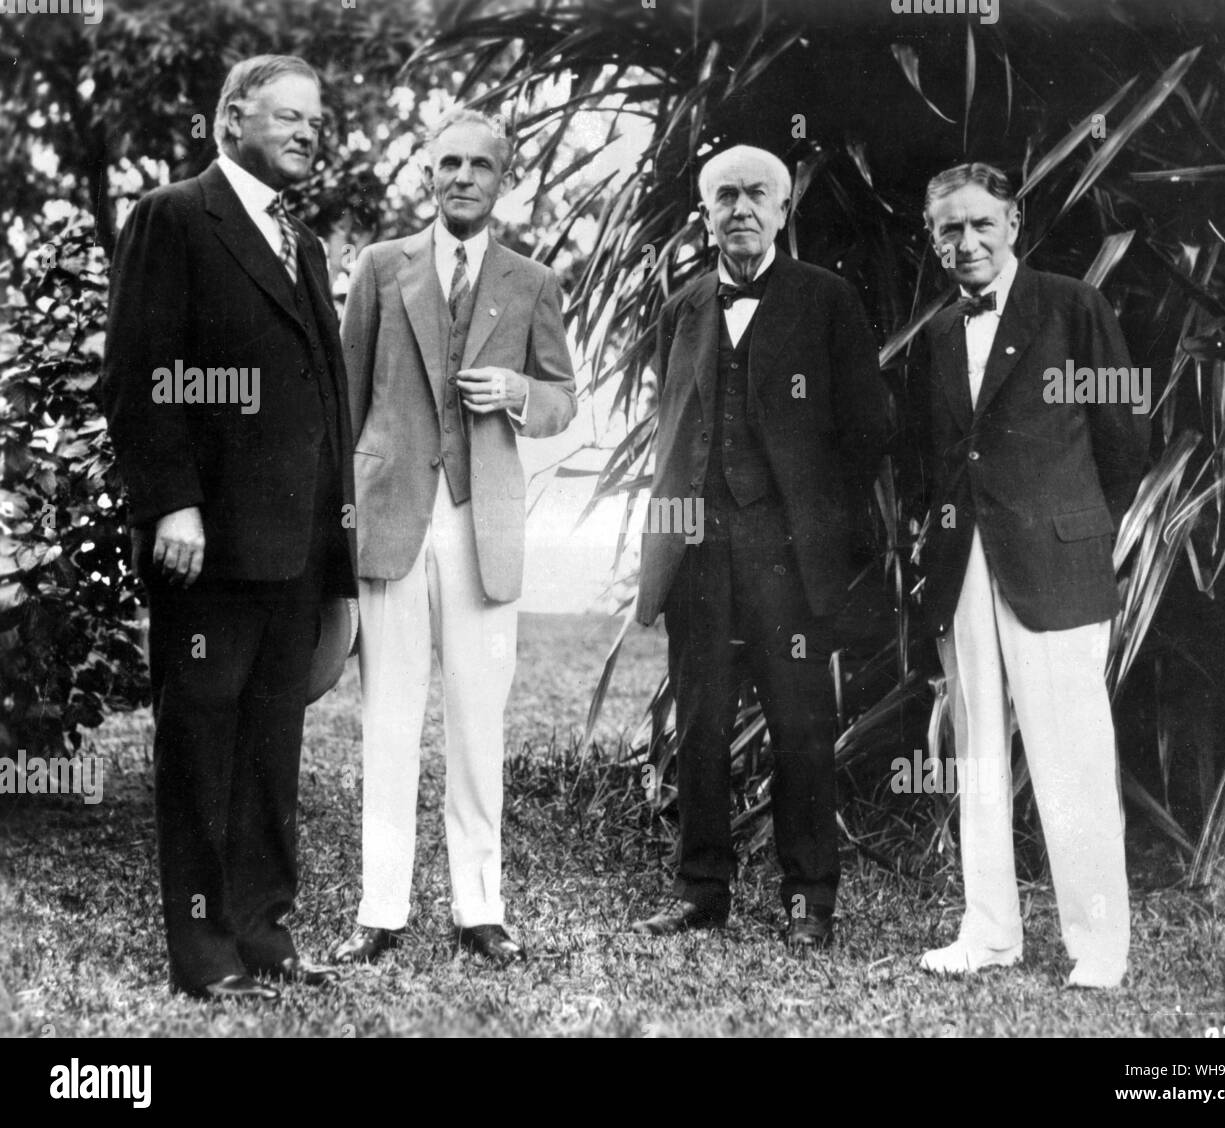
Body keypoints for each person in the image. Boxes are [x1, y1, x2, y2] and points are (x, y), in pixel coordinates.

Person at [101, 55, 355, 1000]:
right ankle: (204, 952)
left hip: (295, 550)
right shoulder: (174, 217)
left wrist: (338, 533)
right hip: (205, 546)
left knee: (271, 749)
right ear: (231, 121)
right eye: (286, 116)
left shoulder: (308, 243)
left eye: (315, 123)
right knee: (202, 745)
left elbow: (321, 396)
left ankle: (265, 932)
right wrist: (172, 501)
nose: (305, 133)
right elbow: (140, 372)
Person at [330, 108, 577, 968]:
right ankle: (379, 909)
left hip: (483, 526)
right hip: (393, 516)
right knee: (388, 722)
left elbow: (560, 400)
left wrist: (514, 388)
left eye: (480, 165)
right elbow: (345, 396)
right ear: (428, 176)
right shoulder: (379, 266)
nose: (463, 177)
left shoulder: (531, 280)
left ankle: (481, 907)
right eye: (448, 164)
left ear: (502, 180)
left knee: (479, 726)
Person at [631, 144, 888, 949]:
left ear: (783, 211)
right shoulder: (683, 306)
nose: (741, 209)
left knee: (801, 724)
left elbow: (870, 428)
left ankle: (809, 897)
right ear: (705, 216)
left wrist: (818, 521)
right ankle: (700, 890)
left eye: (757, 196)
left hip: (789, 553)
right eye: (725, 197)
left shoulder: (827, 299)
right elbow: (675, 430)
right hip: (698, 549)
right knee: (699, 723)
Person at [917, 162, 1149, 988]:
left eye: (983, 223)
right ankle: (987, 934)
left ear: (1014, 225)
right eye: (951, 229)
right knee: (978, 752)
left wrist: (1076, 532)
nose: (968, 241)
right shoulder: (941, 334)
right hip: (965, 565)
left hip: (1056, 563)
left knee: (1073, 755)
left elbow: (1125, 444)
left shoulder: (1073, 306)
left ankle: (1099, 948)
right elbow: (938, 461)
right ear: (934, 240)